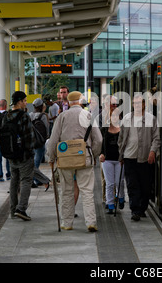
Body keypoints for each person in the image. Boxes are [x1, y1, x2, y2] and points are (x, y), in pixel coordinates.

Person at [47, 91, 102, 232]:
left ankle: (67, 223)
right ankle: (91, 222)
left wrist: (52, 157)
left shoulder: (62, 116)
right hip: (85, 158)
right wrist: (93, 154)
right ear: (80, 101)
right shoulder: (88, 115)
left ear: (69, 103)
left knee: (66, 191)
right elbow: (99, 139)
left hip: (65, 159)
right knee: (87, 191)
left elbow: (53, 140)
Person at [118, 94, 160, 221]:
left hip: (145, 157)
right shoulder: (126, 118)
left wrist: (152, 152)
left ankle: (142, 208)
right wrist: (121, 155)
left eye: (139, 103)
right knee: (132, 185)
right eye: (134, 103)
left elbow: (157, 138)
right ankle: (135, 210)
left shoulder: (151, 119)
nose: (136, 105)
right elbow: (121, 139)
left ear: (143, 104)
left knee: (145, 185)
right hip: (129, 156)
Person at [5, 91, 35, 221]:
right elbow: (29, 136)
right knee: (26, 180)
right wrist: (30, 151)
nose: (26, 102)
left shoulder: (7, 115)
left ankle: (13, 211)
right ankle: (21, 209)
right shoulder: (24, 116)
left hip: (11, 154)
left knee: (14, 181)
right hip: (24, 155)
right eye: (25, 100)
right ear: (20, 101)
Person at [99, 96, 125, 214]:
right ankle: (110, 204)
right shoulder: (104, 128)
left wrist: (124, 155)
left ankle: (120, 198)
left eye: (116, 115)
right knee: (110, 183)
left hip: (119, 159)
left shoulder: (123, 128)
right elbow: (100, 142)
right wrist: (100, 154)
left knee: (119, 182)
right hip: (107, 159)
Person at [30, 97, 51, 191]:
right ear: (42, 106)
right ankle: (35, 179)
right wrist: (46, 137)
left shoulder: (30, 115)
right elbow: (46, 128)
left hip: (32, 141)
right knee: (36, 162)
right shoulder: (43, 116)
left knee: (34, 161)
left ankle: (36, 179)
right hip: (40, 142)